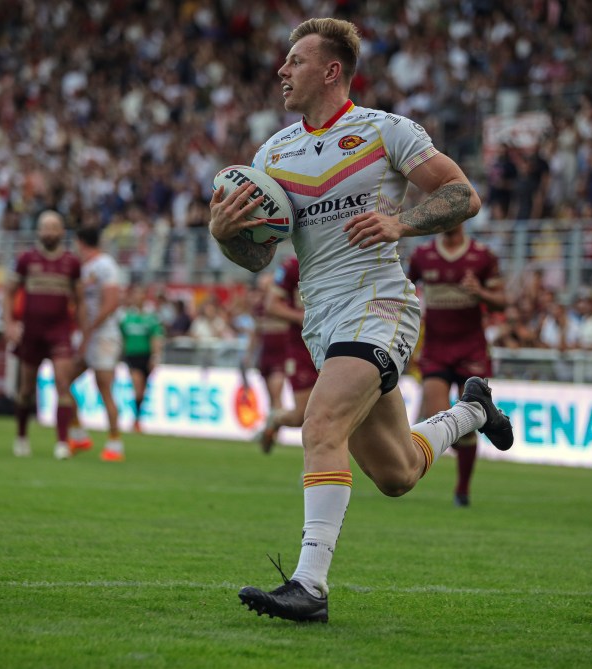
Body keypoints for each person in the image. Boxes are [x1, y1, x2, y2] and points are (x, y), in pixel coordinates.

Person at [208, 18, 512, 623]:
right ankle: (474, 410)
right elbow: (259, 253)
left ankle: (309, 587)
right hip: (323, 323)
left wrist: (403, 223)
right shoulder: (274, 153)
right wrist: (224, 236)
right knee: (397, 473)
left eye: (294, 61)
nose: (281, 71)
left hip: (379, 306)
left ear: (331, 70)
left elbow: (463, 195)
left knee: (320, 424)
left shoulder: (386, 131)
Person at [407, 223, 504, 507]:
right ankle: (459, 458)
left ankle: (462, 489)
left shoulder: (482, 256)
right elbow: (404, 293)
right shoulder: (422, 255)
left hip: (471, 349)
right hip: (436, 349)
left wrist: (481, 293)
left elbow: (502, 302)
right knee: (440, 415)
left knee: (469, 418)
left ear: (463, 218)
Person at [3, 210, 84, 460]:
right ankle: (21, 436)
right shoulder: (26, 259)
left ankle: (62, 442)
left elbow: (79, 300)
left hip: (59, 331)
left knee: (63, 384)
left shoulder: (72, 263)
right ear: (38, 231)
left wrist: (81, 330)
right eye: (45, 227)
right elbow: (9, 292)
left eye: (54, 227)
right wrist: (9, 323)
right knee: (26, 388)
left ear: (61, 231)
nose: (49, 232)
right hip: (32, 332)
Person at [70, 224, 125, 462]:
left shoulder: (105, 265)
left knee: (104, 388)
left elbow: (111, 302)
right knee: (63, 380)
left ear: (80, 241)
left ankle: (115, 442)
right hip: (87, 334)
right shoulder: (83, 268)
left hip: (103, 335)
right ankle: (79, 434)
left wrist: (90, 330)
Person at [258, 256, 320, 454]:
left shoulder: (338, 258)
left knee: (331, 412)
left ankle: (318, 470)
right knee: (302, 415)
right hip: (301, 347)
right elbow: (272, 305)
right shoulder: (291, 266)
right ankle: (276, 418)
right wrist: (303, 318)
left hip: (335, 343)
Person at [249, 271, 291, 442]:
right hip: (266, 352)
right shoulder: (259, 306)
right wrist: (249, 353)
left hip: (281, 352)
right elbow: (256, 330)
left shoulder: (282, 304)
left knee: (276, 393)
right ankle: (271, 428)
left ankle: (273, 431)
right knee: (269, 395)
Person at [118, 284, 165, 433]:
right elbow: (121, 336)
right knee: (137, 386)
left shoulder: (150, 318)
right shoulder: (126, 317)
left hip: (146, 356)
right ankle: (136, 420)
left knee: (143, 390)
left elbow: (156, 338)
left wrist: (155, 357)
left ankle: (137, 418)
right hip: (132, 356)